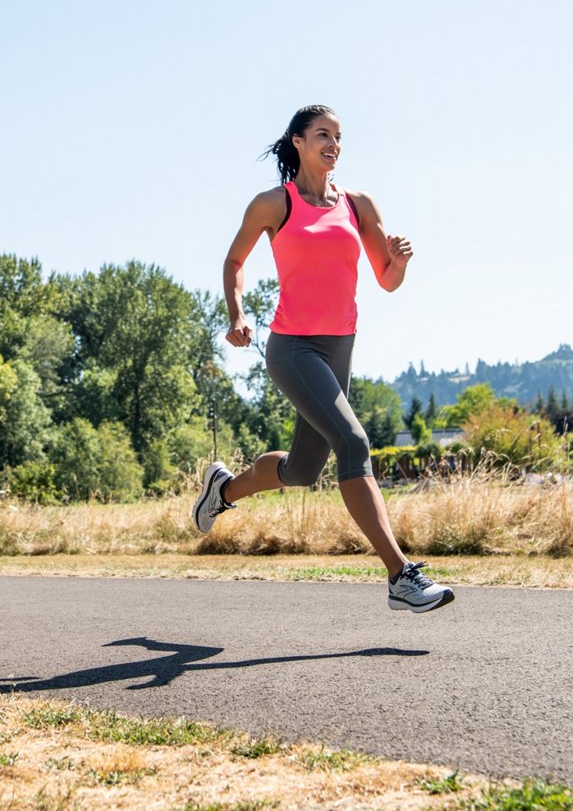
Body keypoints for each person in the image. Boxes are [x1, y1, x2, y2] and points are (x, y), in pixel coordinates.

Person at [192, 104, 454, 614]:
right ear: (297, 142)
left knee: (303, 469)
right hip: (293, 348)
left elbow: (386, 280)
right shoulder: (275, 204)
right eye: (322, 135)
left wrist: (397, 262)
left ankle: (223, 490)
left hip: (340, 347)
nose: (333, 144)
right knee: (353, 442)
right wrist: (237, 314)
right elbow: (234, 260)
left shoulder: (357, 204)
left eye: (338, 137)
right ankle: (400, 576)